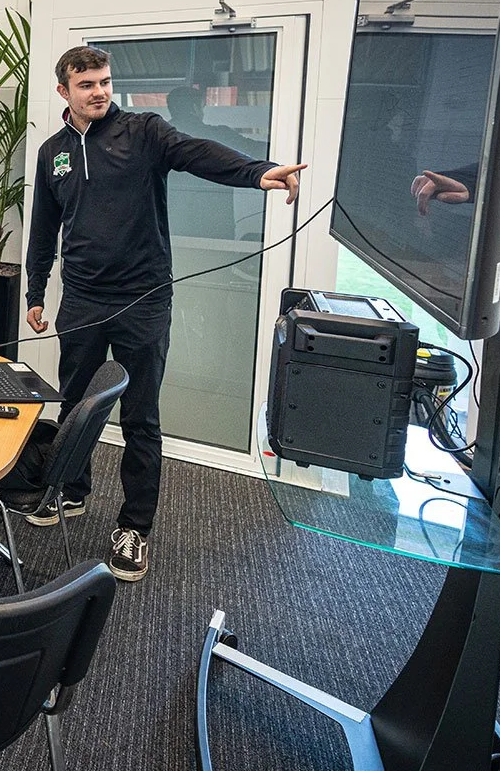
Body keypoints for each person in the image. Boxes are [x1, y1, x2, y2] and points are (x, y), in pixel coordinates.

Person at [24, 46, 303, 582]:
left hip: (143, 300)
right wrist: (36, 291)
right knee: (76, 405)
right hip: (81, 299)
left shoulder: (144, 132)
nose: (99, 92)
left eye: (105, 82)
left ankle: (134, 527)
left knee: (140, 418)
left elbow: (198, 153)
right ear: (64, 91)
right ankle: (71, 490)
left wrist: (258, 172)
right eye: (87, 85)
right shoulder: (53, 152)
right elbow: (44, 226)